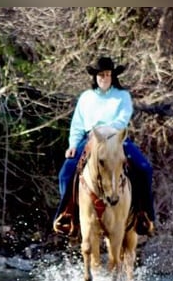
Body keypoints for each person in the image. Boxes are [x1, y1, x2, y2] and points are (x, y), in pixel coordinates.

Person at [52, 56, 156, 237]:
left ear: (113, 76)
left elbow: (122, 120)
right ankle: (68, 214)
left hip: (117, 139)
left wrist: (103, 131)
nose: (104, 78)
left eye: (107, 74)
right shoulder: (86, 97)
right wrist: (73, 144)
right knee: (66, 173)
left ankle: (144, 215)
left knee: (145, 169)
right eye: (100, 75)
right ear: (95, 77)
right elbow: (77, 124)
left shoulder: (122, 96)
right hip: (89, 140)